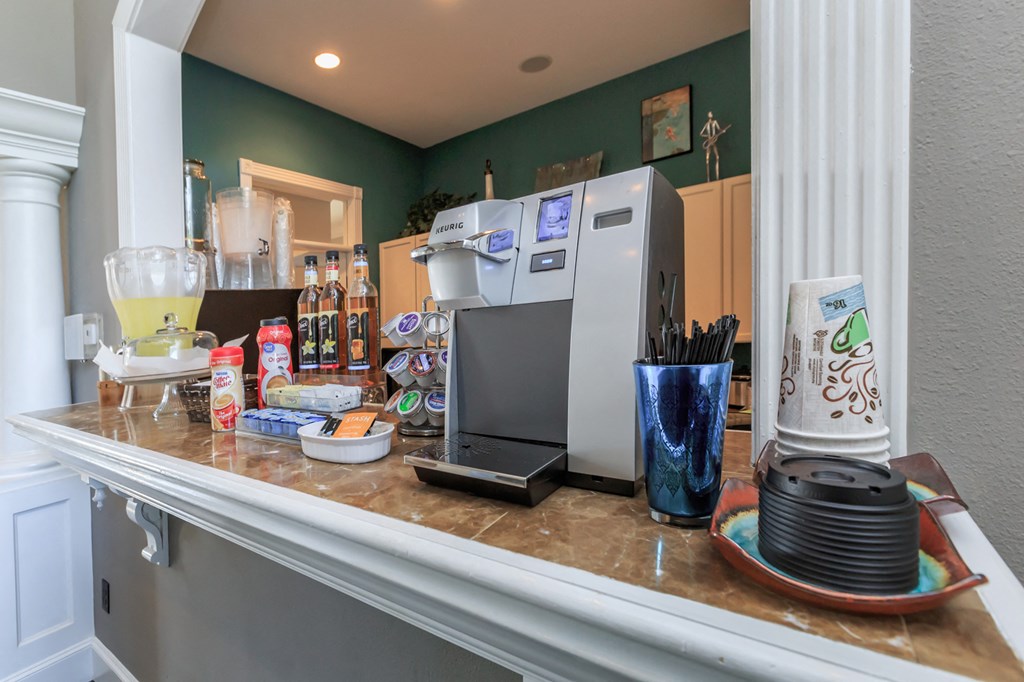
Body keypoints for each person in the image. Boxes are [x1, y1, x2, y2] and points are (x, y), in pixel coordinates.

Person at [700, 111, 731, 182]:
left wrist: (722, 131)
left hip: (714, 140)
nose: (710, 115)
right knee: (707, 159)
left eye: (711, 114)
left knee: (717, 157)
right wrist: (708, 136)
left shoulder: (715, 122)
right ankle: (708, 179)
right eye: (709, 114)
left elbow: (719, 129)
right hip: (709, 140)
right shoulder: (706, 124)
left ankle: (717, 177)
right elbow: (701, 133)